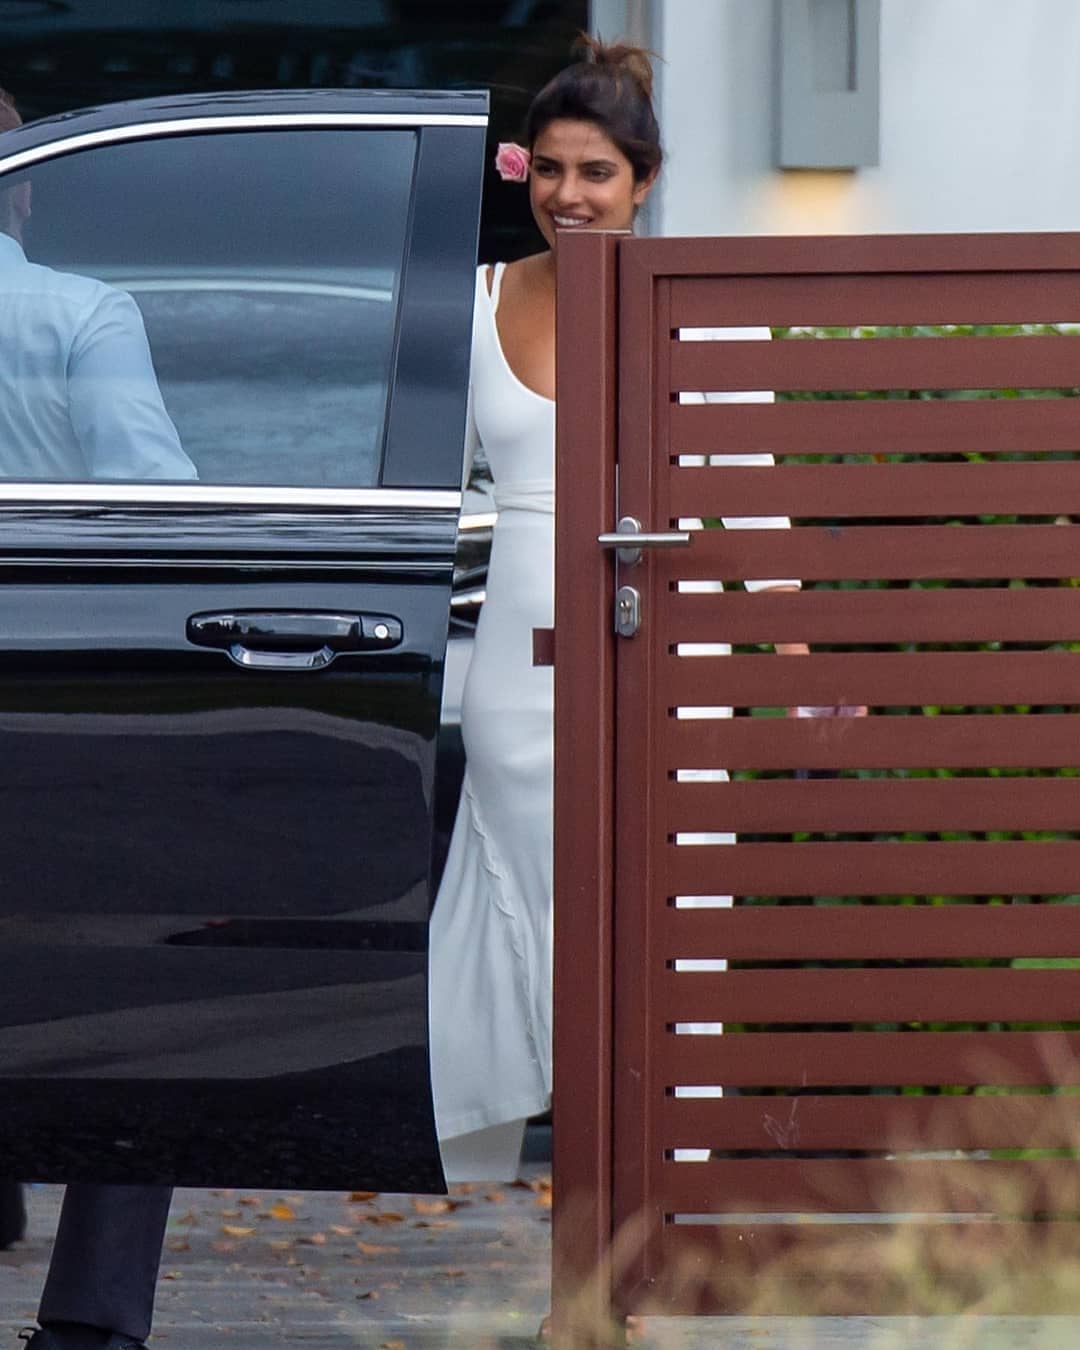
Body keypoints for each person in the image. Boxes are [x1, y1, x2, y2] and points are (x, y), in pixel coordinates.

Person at [428, 36, 811, 1187]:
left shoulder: (702, 302)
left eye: (595, 171)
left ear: (644, 178)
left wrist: (790, 667)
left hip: (671, 654)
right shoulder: (477, 298)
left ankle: (659, 1165)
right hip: (516, 668)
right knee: (529, 893)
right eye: (547, 169)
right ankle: (562, 1164)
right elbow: (426, 485)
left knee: (671, 889)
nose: (569, 196)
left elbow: (754, 499)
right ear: (521, 176)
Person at [1, 86, 184, 1350]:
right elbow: (161, 507)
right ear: (25, 184)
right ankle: (92, 1318)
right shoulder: (80, 312)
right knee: (137, 996)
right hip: (56, 688)